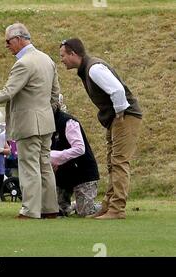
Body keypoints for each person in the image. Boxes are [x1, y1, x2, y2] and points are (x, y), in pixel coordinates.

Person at [0, 23, 60, 219]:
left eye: (8, 41)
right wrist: (46, 112)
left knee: (29, 166)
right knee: (45, 166)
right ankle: (50, 209)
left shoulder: (23, 63)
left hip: (28, 123)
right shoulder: (47, 59)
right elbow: (55, 94)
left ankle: (30, 211)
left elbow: (8, 92)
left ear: (19, 39)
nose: (6, 45)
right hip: (47, 121)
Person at [59, 38, 142, 220]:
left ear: (73, 54)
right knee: (113, 163)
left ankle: (117, 209)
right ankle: (108, 206)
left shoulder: (94, 69)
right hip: (118, 117)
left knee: (119, 162)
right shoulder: (89, 68)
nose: (62, 60)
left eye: (63, 55)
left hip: (124, 116)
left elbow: (118, 91)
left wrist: (119, 114)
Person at [51, 95, 101, 217]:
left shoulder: (68, 122)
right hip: (63, 174)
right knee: (58, 210)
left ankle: (108, 204)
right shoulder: (45, 124)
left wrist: (54, 156)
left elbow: (79, 149)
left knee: (85, 212)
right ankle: (75, 205)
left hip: (83, 172)